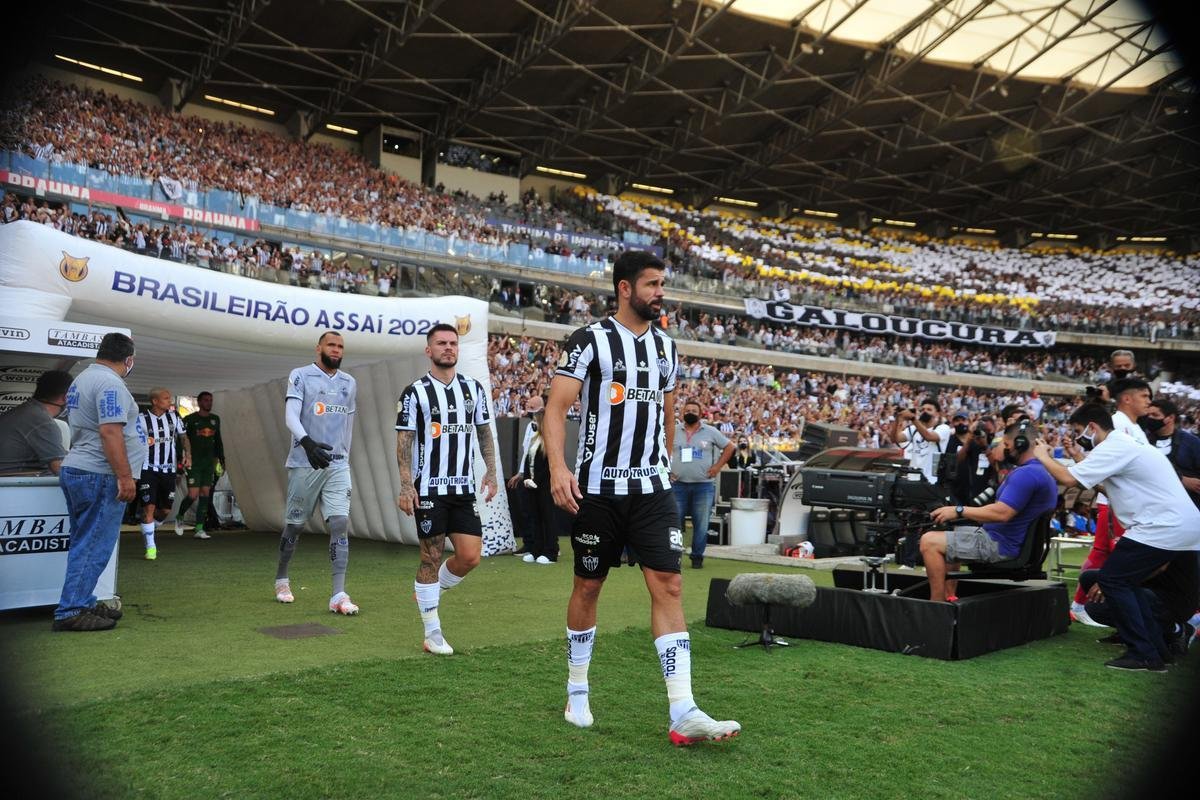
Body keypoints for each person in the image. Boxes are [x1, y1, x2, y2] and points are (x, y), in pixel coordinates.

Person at [544, 250, 740, 745]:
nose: (660, 292)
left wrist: (664, 468)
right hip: (598, 490)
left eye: (661, 284)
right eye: (651, 284)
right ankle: (578, 690)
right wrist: (558, 468)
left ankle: (683, 709)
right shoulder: (590, 340)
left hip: (652, 489)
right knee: (588, 588)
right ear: (625, 288)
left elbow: (669, 413)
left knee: (670, 587)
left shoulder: (666, 348)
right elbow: (556, 408)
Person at [1032, 403, 1200, 671]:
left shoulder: (1115, 446)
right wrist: (1077, 457)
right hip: (1178, 525)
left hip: (1162, 526)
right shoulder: (1126, 446)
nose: (1078, 438)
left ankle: (1144, 653)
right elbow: (1107, 486)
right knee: (1122, 582)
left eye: (1079, 432)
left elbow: (1067, 479)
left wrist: (1041, 455)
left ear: (1093, 427)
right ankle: (1156, 650)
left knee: (1113, 581)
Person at [396, 323, 499, 655]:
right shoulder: (415, 393)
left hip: (463, 489)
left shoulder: (472, 390)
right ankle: (432, 632)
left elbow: (484, 432)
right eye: (441, 343)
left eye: (453, 343)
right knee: (431, 556)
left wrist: (492, 472)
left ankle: (429, 592)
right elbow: (404, 442)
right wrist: (405, 485)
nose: (448, 348)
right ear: (429, 350)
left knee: (470, 556)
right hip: (429, 490)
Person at [53, 333, 145, 631]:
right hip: (99, 473)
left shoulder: (83, 378)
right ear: (128, 359)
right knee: (94, 543)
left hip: (81, 467)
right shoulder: (110, 383)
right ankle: (71, 610)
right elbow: (110, 432)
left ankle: (82, 600)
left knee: (85, 540)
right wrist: (125, 476)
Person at [920, 420, 1058, 603]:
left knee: (928, 541)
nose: (1004, 448)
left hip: (1001, 545)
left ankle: (935, 605)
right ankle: (949, 596)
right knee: (952, 533)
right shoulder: (1039, 472)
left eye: (1006, 444)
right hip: (1008, 541)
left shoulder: (1025, 474)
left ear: (1020, 444)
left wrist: (958, 510)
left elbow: (1002, 513)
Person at [273, 332, 360, 615]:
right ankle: (282, 578)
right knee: (295, 526)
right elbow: (290, 416)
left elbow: (348, 424)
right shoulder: (300, 375)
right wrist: (307, 443)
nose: (336, 350)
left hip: (337, 464)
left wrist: (345, 453)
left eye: (340, 346)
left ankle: (338, 594)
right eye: (331, 345)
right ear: (319, 348)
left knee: (339, 523)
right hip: (305, 462)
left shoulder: (349, 383)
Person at [1069, 379, 1152, 624]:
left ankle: (1083, 604)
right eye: (1144, 396)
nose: (1149, 401)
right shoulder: (1118, 423)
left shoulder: (1135, 428)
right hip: (1116, 500)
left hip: (1122, 500)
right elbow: (1101, 464)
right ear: (1128, 398)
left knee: (1105, 552)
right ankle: (1083, 604)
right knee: (1111, 552)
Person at [671, 399, 735, 569]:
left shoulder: (711, 431)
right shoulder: (674, 430)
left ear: (700, 414)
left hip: (703, 486)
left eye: (694, 410)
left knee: (701, 524)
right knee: (674, 523)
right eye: (687, 410)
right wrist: (666, 470)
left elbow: (730, 447)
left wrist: (717, 467)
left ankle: (697, 557)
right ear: (682, 413)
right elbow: (660, 449)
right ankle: (673, 557)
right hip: (678, 486)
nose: (690, 412)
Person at [136, 388, 190, 560]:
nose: (170, 401)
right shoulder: (141, 419)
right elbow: (133, 442)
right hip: (147, 468)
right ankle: (151, 547)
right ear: (155, 401)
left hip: (168, 469)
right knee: (149, 507)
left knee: (165, 510)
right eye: (166, 398)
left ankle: (149, 528)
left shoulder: (174, 417)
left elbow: (184, 437)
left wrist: (188, 454)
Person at [513, 395, 563, 565]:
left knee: (547, 517)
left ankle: (551, 551)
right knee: (534, 516)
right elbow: (528, 460)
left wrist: (538, 481)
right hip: (532, 485)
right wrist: (526, 478)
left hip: (544, 486)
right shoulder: (534, 439)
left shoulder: (549, 440)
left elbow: (549, 464)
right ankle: (536, 549)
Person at [0, 369, 72, 475]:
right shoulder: (43, 422)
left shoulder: (25, 412)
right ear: (65, 397)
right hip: (17, 486)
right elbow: (60, 470)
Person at [176, 391, 225, 538]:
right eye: (206, 400)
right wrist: (181, 459)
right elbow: (181, 440)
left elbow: (218, 441)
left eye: (210, 400)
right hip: (194, 462)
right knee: (192, 494)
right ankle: (179, 516)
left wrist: (221, 459)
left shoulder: (215, 419)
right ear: (199, 402)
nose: (209, 403)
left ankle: (199, 528)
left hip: (209, 463)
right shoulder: (189, 419)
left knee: (205, 494)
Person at [1144, 398, 1200, 509]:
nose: (1150, 419)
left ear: (1170, 418)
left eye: (1155, 415)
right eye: (1148, 415)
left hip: (1187, 507)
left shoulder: (1191, 443)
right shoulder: (1143, 440)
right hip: (1152, 505)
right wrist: (1181, 480)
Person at [507, 396, 543, 558]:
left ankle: (543, 544)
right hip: (527, 472)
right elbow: (526, 452)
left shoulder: (543, 425)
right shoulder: (530, 426)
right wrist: (521, 473)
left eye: (531, 406)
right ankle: (530, 543)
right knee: (527, 510)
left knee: (540, 510)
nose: (528, 408)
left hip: (539, 473)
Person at [893, 398, 951, 484]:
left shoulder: (943, 428)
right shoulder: (914, 429)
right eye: (923, 409)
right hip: (912, 478)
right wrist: (898, 419)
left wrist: (913, 419)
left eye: (929, 409)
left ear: (937, 414)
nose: (925, 411)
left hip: (932, 481)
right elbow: (895, 439)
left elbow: (929, 436)